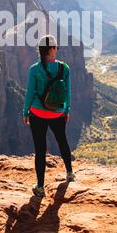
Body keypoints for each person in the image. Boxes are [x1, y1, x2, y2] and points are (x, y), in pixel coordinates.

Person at [22, 34, 75, 197]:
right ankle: (70, 173)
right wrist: (66, 110)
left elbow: (30, 92)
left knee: (40, 149)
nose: (57, 49)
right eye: (56, 47)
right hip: (57, 113)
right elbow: (67, 92)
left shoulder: (34, 69)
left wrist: (25, 112)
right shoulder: (64, 68)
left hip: (37, 113)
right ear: (51, 49)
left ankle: (40, 187)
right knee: (62, 141)